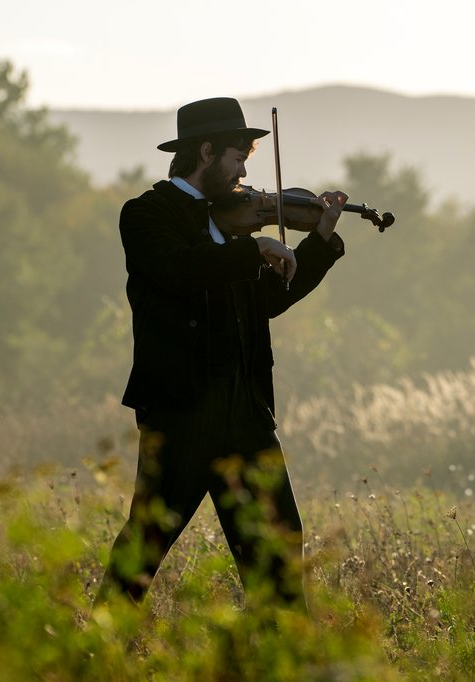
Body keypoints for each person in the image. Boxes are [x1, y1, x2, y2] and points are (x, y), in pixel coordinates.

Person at [97, 97, 347, 607]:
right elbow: (181, 270)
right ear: (205, 151)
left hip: (245, 409)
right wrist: (251, 250)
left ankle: (277, 659)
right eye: (236, 159)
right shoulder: (147, 214)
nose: (242, 174)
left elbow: (268, 302)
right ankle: (92, 652)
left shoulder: (236, 227)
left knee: (276, 545)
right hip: (181, 410)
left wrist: (318, 243)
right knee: (143, 548)